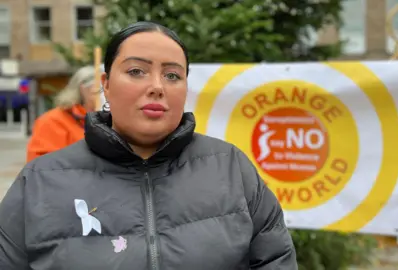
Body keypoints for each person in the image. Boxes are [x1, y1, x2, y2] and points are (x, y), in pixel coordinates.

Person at [0, 21, 297, 269]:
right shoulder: (39, 180)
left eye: (172, 75)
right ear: (105, 84)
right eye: (136, 71)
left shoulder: (231, 168)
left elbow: (276, 260)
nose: (157, 86)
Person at [26, 65, 96, 162]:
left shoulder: (111, 119)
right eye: (98, 91)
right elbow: (43, 167)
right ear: (83, 90)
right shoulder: (52, 121)